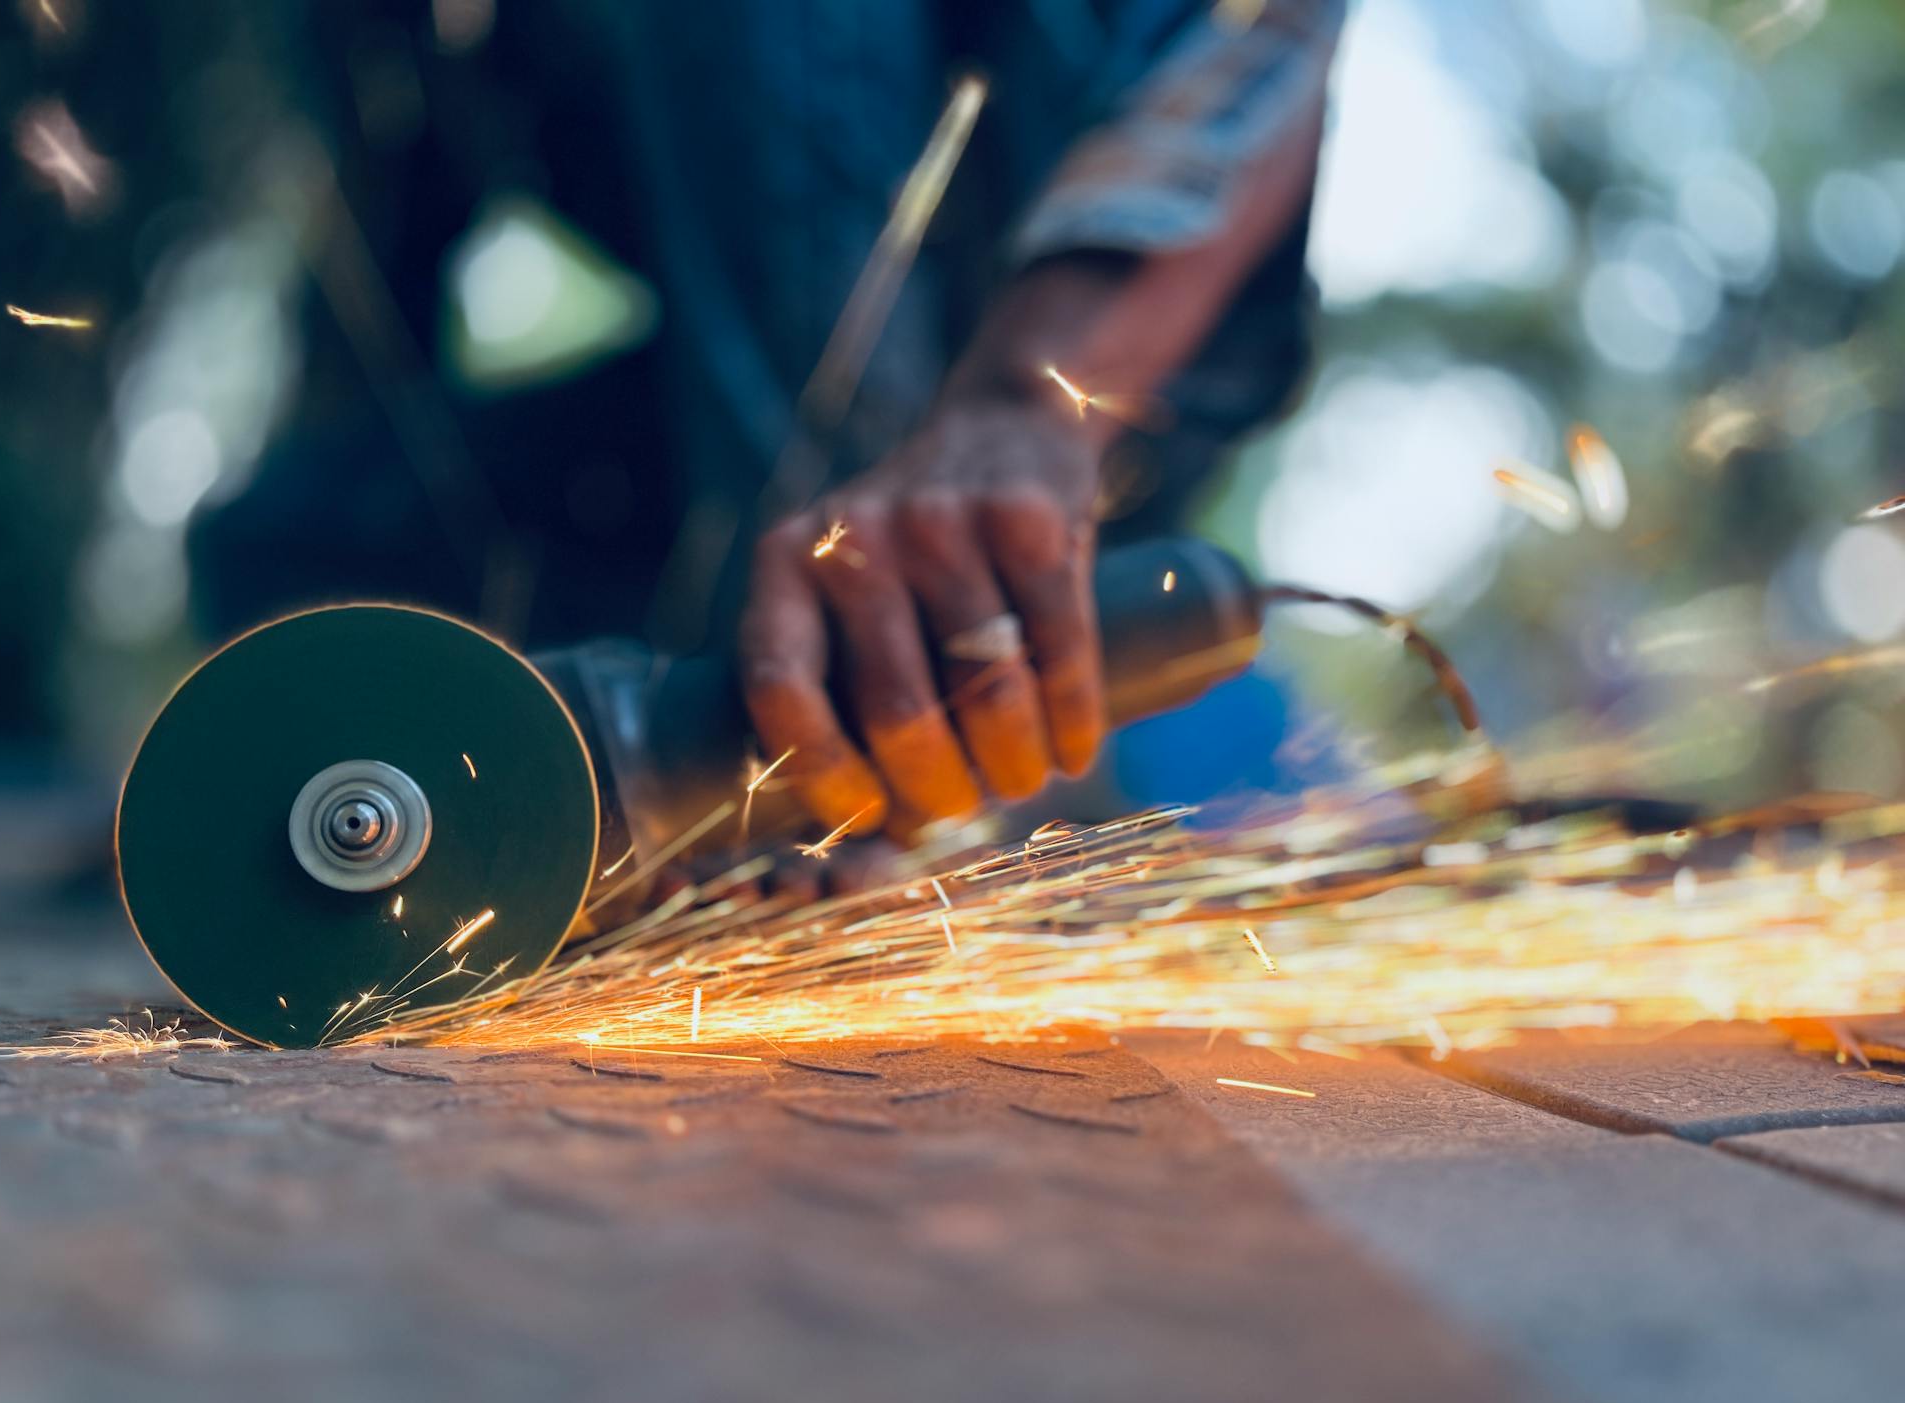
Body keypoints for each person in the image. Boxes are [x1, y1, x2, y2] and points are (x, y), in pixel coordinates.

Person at [191, 0, 1343, 842]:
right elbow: (376, 298)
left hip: (1092, 389)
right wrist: (303, 697)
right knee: (280, 545)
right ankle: (733, 719)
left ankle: (867, 754)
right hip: (703, 428)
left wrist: (1018, 405)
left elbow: (1254, 33)